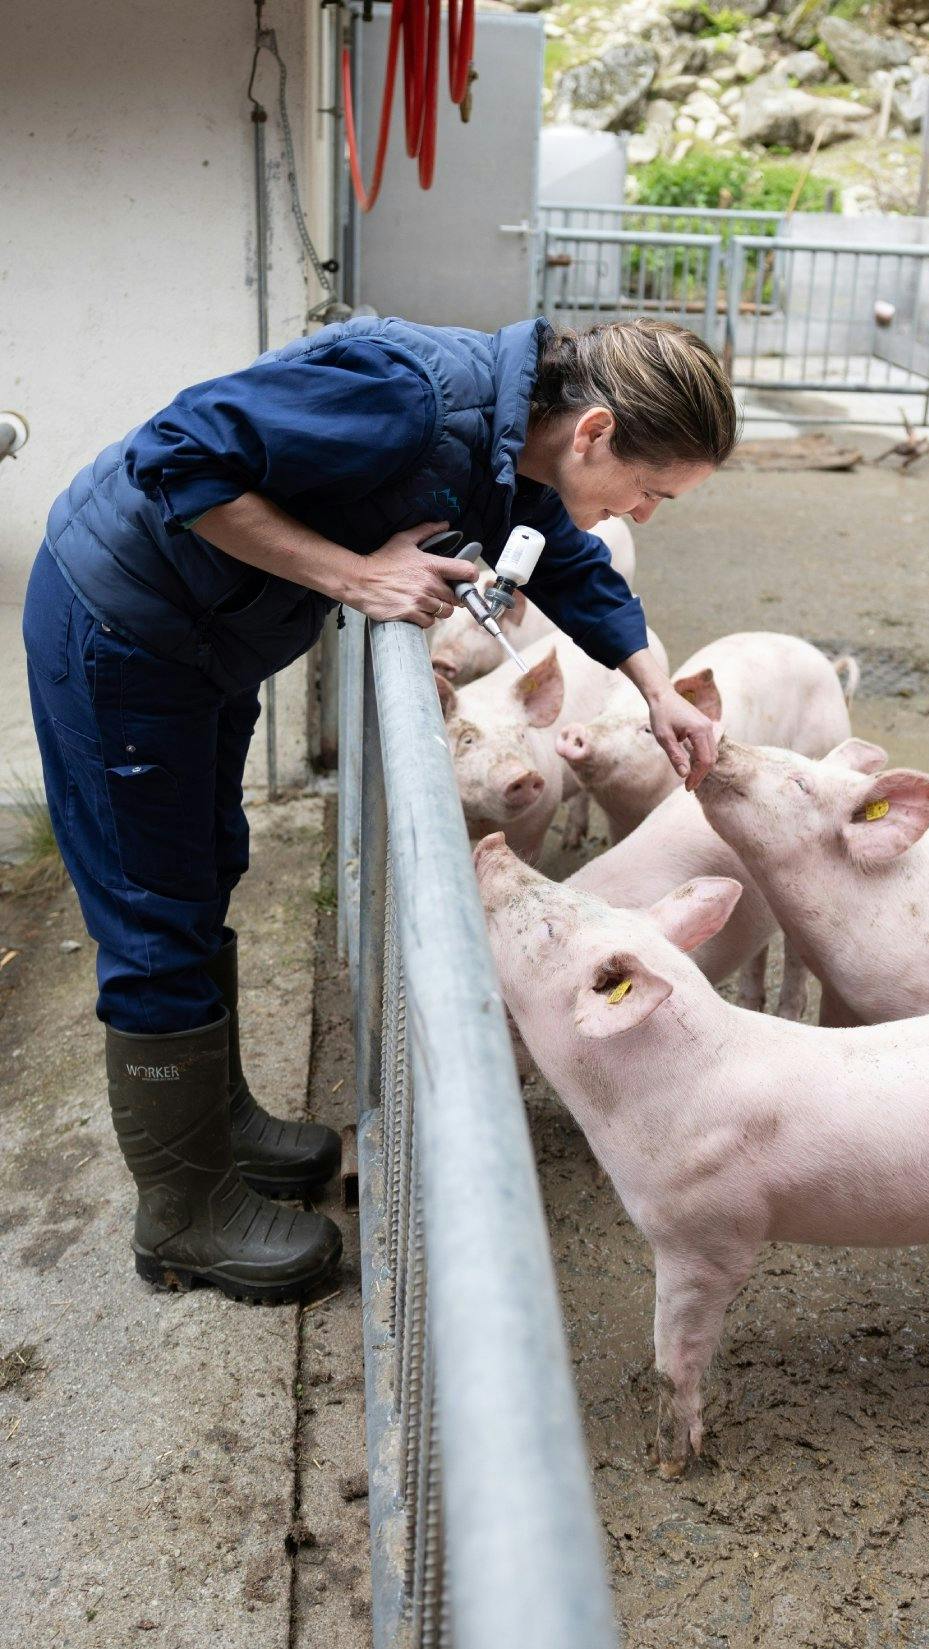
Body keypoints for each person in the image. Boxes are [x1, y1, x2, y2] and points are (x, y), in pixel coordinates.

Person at [22, 314, 739, 1303]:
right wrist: (352, 573)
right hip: (127, 622)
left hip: (203, 641)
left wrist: (653, 685)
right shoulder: (407, 397)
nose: (645, 513)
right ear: (594, 432)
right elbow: (173, 459)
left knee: (201, 868)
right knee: (152, 909)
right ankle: (182, 1215)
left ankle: (214, 1125)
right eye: (651, 490)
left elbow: (563, 557)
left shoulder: (513, 437)